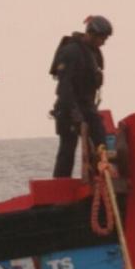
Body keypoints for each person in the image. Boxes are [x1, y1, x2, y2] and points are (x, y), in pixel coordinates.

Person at [50, 15, 112, 178]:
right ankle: (61, 185)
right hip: (68, 106)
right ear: (91, 34)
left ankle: (101, 174)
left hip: (86, 105)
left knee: (100, 139)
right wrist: (73, 112)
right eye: (102, 38)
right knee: (68, 148)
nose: (103, 42)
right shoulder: (71, 51)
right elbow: (64, 86)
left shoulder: (93, 53)